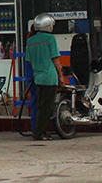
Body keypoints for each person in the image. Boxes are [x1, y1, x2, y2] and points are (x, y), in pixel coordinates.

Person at [25, 13, 66, 141]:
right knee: (47, 108)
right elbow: (55, 59)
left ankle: (38, 131)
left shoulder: (30, 41)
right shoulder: (50, 39)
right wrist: (61, 76)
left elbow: (30, 61)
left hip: (38, 78)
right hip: (49, 77)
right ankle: (40, 133)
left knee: (39, 106)